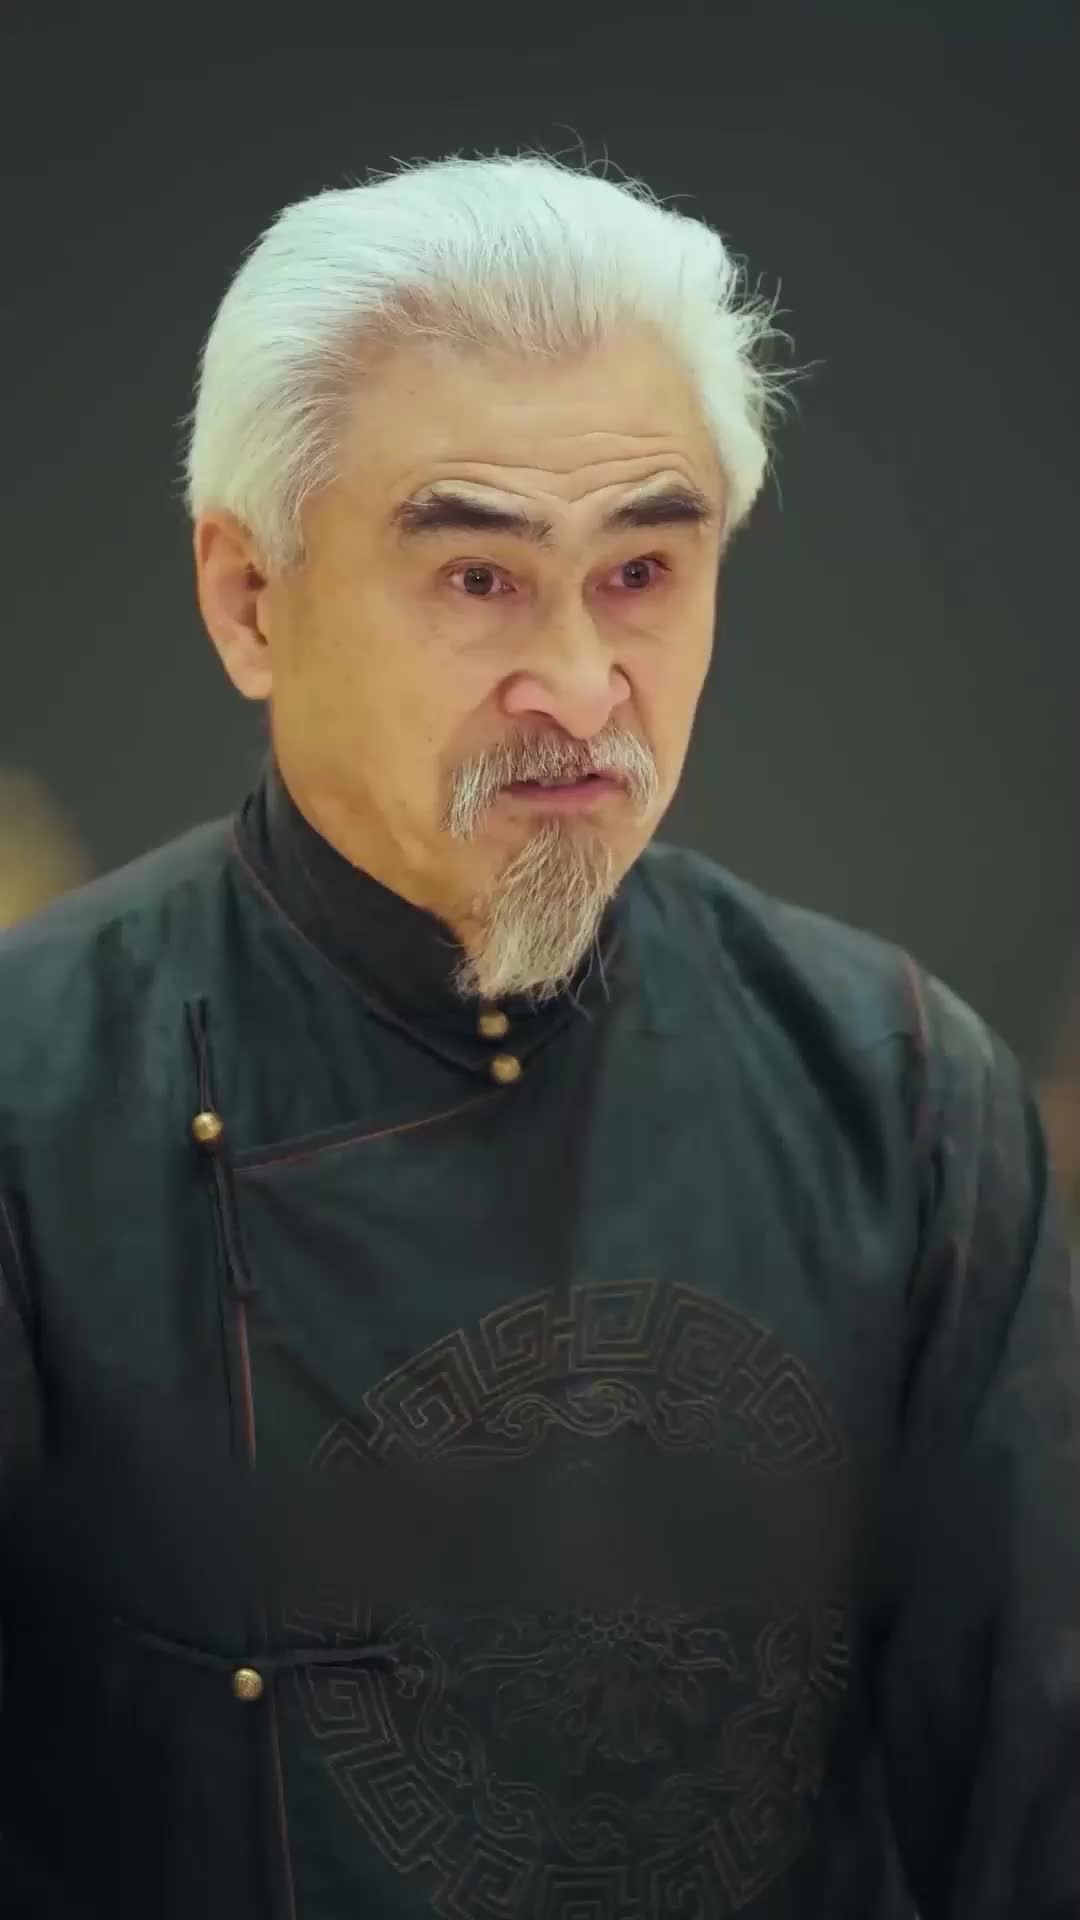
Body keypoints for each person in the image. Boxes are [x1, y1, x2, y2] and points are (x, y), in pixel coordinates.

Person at [0, 149, 1076, 1920]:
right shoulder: (35, 1104)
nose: (580, 687)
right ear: (249, 599)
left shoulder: (900, 1096)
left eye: (642, 569)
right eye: (480, 579)